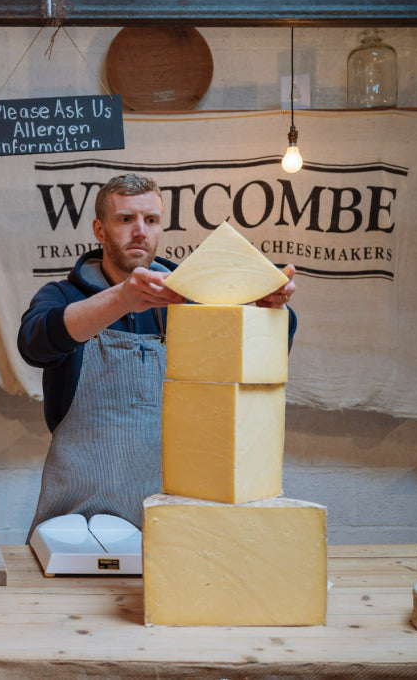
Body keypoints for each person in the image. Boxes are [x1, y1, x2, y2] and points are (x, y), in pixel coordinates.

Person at [17, 173, 296, 539]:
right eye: (125, 219)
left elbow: (253, 353)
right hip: (76, 524)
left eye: (150, 220)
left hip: (173, 520)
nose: (140, 231)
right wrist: (120, 299)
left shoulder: (193, 300)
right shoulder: (64, 296)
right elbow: (34, 343)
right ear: (100, 231)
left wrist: (268, 308)